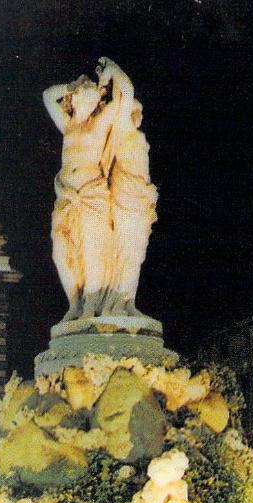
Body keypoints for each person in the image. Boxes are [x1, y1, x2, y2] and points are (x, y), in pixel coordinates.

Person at [44, 57, 157, 322]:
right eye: (85, 92)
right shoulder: (68, 126)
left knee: (92, 252)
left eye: (95, 95)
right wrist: (72, 85)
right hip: (67, 197)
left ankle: (90, 306)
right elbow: (48, 96)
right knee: (61, 253)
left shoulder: (101, 123)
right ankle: (75, 304)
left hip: (92, 194)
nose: (92, 95)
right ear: (74, 99)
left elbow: (126, 93)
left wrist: (113, 71)